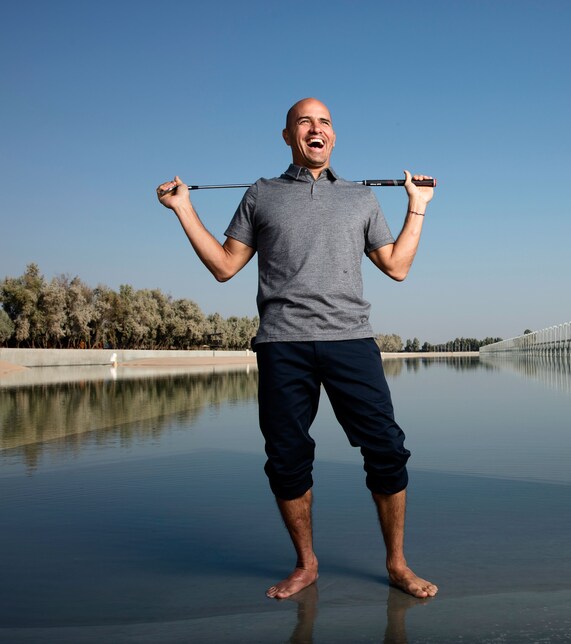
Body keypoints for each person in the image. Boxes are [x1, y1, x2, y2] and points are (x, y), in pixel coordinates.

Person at [156, 97, 437, 600]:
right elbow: (224, 266)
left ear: (334, 137)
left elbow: (396, 266)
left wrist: (417, 206)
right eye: (304, 121)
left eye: (325, 122)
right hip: (282, 343)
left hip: (351, 340)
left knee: (388, 452)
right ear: (287, 136)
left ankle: (396, 563)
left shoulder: (360, 199)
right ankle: (306, 564)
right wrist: (184, 208)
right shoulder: (260, 194)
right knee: (286, 459)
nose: (316, 128)